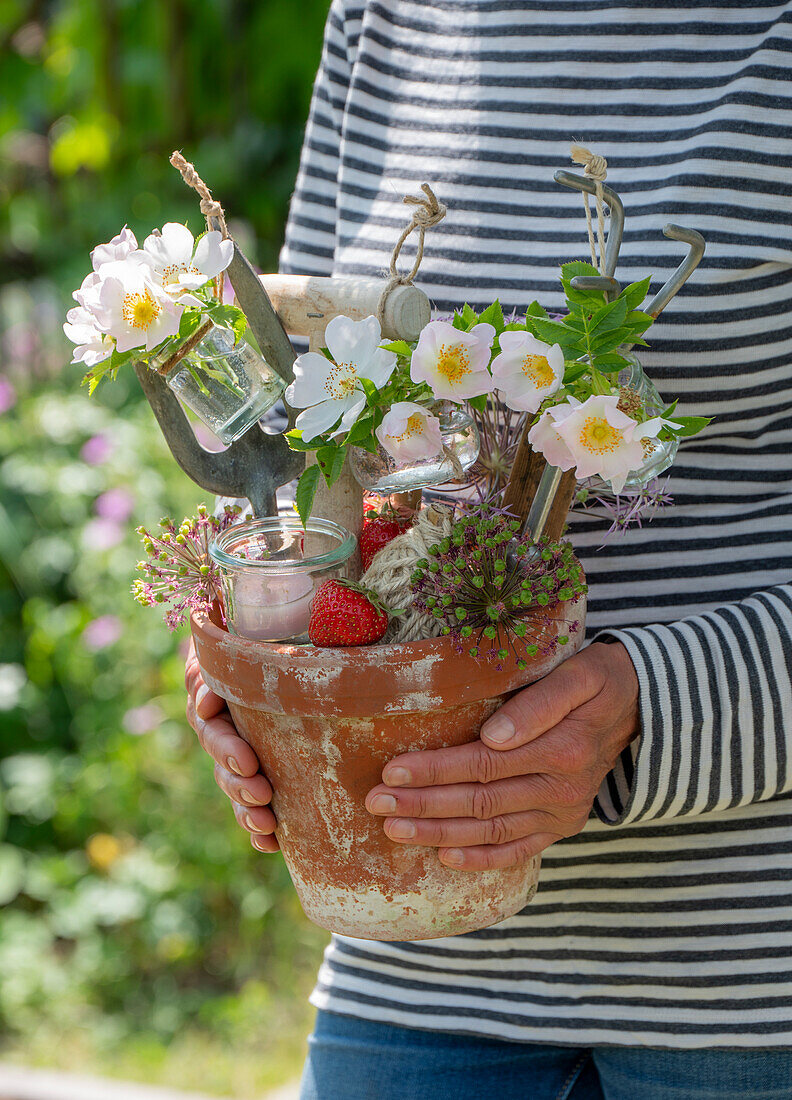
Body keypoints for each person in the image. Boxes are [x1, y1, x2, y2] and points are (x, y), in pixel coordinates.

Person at [184, 2, 792, 1096]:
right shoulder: (390, 17)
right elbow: (317, 419)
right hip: (412, 971)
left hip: (750, 992)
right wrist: (266, 642)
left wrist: (650, 699)